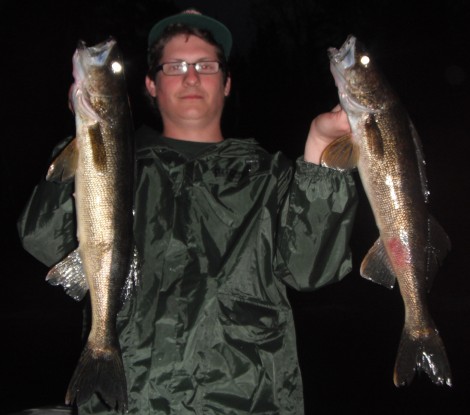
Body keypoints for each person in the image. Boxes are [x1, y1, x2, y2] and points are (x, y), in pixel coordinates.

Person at [18, 9, 357, 415]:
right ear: (150, 84)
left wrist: (321, 151)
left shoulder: (273, 177)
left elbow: (311, 269)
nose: (191, 77)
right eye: (175, 66)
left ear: (227, 82)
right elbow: (42, 238)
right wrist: (78, 143)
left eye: (206, 65)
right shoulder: (121, 168)